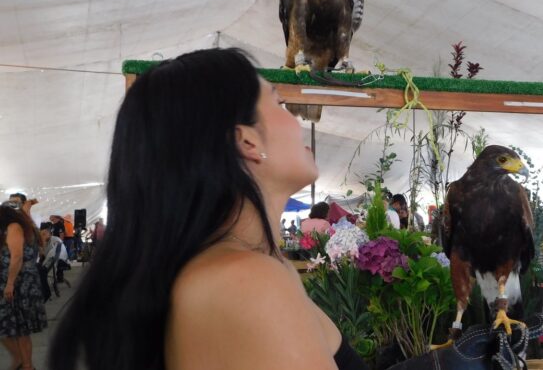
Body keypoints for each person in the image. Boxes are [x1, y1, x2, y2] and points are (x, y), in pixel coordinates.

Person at [49, 48, 367, 370]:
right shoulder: (246, 280)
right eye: (280, 103)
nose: (297, 120)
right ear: (247, 142)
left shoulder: (248, 267)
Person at [0, 205, 47, 370]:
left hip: (20, 283)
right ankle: (22, 362)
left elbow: (17, 256)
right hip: (18, 281)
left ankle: (24, 364)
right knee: (16, 326)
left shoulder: (14, 227)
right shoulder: (21, 227)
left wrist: (10, 283)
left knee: (20, 327)